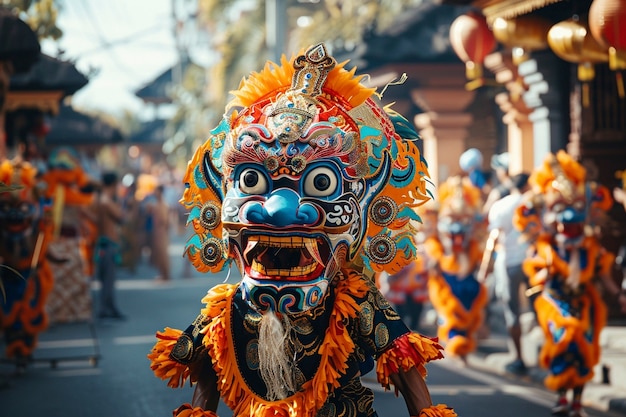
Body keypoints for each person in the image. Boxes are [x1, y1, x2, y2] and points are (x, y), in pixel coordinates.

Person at [148, 43, 457, 417]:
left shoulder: (353, 303)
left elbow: (408, 376)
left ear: (364, 204)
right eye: (252, 180)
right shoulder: (224, 315)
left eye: (321, 183)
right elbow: (204, 395)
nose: (279, 212)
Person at [513, 151, 623, 417]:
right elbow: (535, 274)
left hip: (584, 302)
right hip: (555, 302)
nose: (565, 229)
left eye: (571, 223)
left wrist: (619, 294)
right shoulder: (545, 249)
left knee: (583, 350)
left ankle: (577, 402)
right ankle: (562, 397)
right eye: (560, 222)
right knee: (562, 345)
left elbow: (604, 276)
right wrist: (545, 271)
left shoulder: (591, 249)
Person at [424, 175, 489, 365]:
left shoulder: (473, 245)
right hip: (447, 281)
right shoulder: (437, 243)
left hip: (467, 281)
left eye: (463, 219)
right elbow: (433, 252)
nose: (457, 225)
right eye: (452, 218)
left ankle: (465, 348)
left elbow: (479, 257)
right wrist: (436, 259)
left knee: (469, 315)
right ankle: (455, 344)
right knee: (450, 314)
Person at [478, 172, 532, 375]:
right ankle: (549, 357)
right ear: (526, 186)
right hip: (533, 262)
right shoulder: (531, 203)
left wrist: (484, 268)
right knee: (541, 310)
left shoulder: (500, 206)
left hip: (508, 262)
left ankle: (518, 357)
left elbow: (493, 239)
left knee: (512, 311)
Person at [94, 171, 125, 320]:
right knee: (108, 280)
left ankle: (107, 308)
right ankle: (106, 309)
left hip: (104, 243)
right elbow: (120, 216)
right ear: (113, 184)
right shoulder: (106, 201)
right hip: (108, 244)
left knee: (107, 279)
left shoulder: (100, 199)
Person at [147, 184, 171, 281]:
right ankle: (162, 274)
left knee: (163, 254)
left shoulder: (164, 205)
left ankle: (166, 275)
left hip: (161, 233)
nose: (154, 193)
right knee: (159, 254)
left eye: (156, 191)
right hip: (157, 232)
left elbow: (165, 221)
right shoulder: (156, 204)